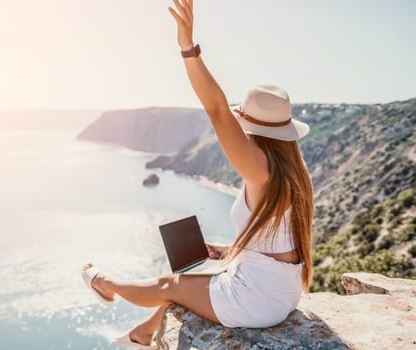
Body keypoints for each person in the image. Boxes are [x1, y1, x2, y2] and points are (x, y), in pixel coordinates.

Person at [81, 0, 314, 348]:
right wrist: (228, 250)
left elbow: (217, 109)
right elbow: (277, 242)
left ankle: (106, 284)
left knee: (170, 283)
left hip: (257, 301)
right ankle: (144, 334)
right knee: (195, 278)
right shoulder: (291, 172)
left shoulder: (260, 169)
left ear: (251, 126)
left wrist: (187, 48)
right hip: (281, 291)